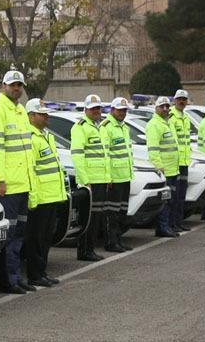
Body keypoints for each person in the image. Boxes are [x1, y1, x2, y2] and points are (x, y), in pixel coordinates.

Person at [0, 70, 33, 292]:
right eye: (12, 85)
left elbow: (26, 151)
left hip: (23, 184)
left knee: (19, 235)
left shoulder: (21, 110)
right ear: (3, 86)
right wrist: (0, 181)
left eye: (19, 85)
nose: (16, 88)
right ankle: (7, 281)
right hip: (8, 187)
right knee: (8, 236)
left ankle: (15, 276)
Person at [22, 98, 67, 285]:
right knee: (36, 238)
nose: (46, 116)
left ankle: (42, 271)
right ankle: (35, 274)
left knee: (47, 236)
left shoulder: (46, 135)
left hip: (52, 195)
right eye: (42, 114)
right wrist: (33, 196)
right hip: (40, 197)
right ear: (31, 116)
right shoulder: (30, 138)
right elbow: (30, 169)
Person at [70, 94, 109, 261]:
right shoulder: (80, 127)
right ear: (85, 109)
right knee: (89, 218)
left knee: (97, 216)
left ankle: (90, 249)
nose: (96, 111)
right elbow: (77, 156)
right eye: (93, 108)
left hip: (101, 180)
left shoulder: (100, 127)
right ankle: (84, 251)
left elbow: (105, 156)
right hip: (90, 182)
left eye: (98, 108)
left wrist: (108, 178)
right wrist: (85, 181)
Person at [101, 97, 135, 250]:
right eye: (120, 110)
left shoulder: (124, 127)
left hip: (125, 176)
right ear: (112, 110)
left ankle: (118, 240)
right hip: (114, 178)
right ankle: (111, 242)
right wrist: (108, 177)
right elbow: (105, 154)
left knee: (122, 212)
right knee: (112, 213)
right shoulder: (106, 127)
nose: (123, 113)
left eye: (124, 110)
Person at [145, 97, 180, 237]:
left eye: (167, 106)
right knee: (164, 201)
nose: (165, 109)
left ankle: (168, 226)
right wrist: (159, 166)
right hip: (164, 170)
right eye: (162, 107)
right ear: (156, 108)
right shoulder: (154, 125)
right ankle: (162, 227)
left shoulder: (168, 123)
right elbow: (153, 149)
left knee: (171, 200)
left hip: (173, 169)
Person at [169, 89, 193, 231]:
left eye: (184, 99)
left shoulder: (186, 117)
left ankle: (179, 222)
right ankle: (172, 223)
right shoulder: (171, 117)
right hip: (175, 162)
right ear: (174, 100)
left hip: (184, 162)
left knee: (181, 195)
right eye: (179, 99)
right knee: (174, 196)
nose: (182, 101)